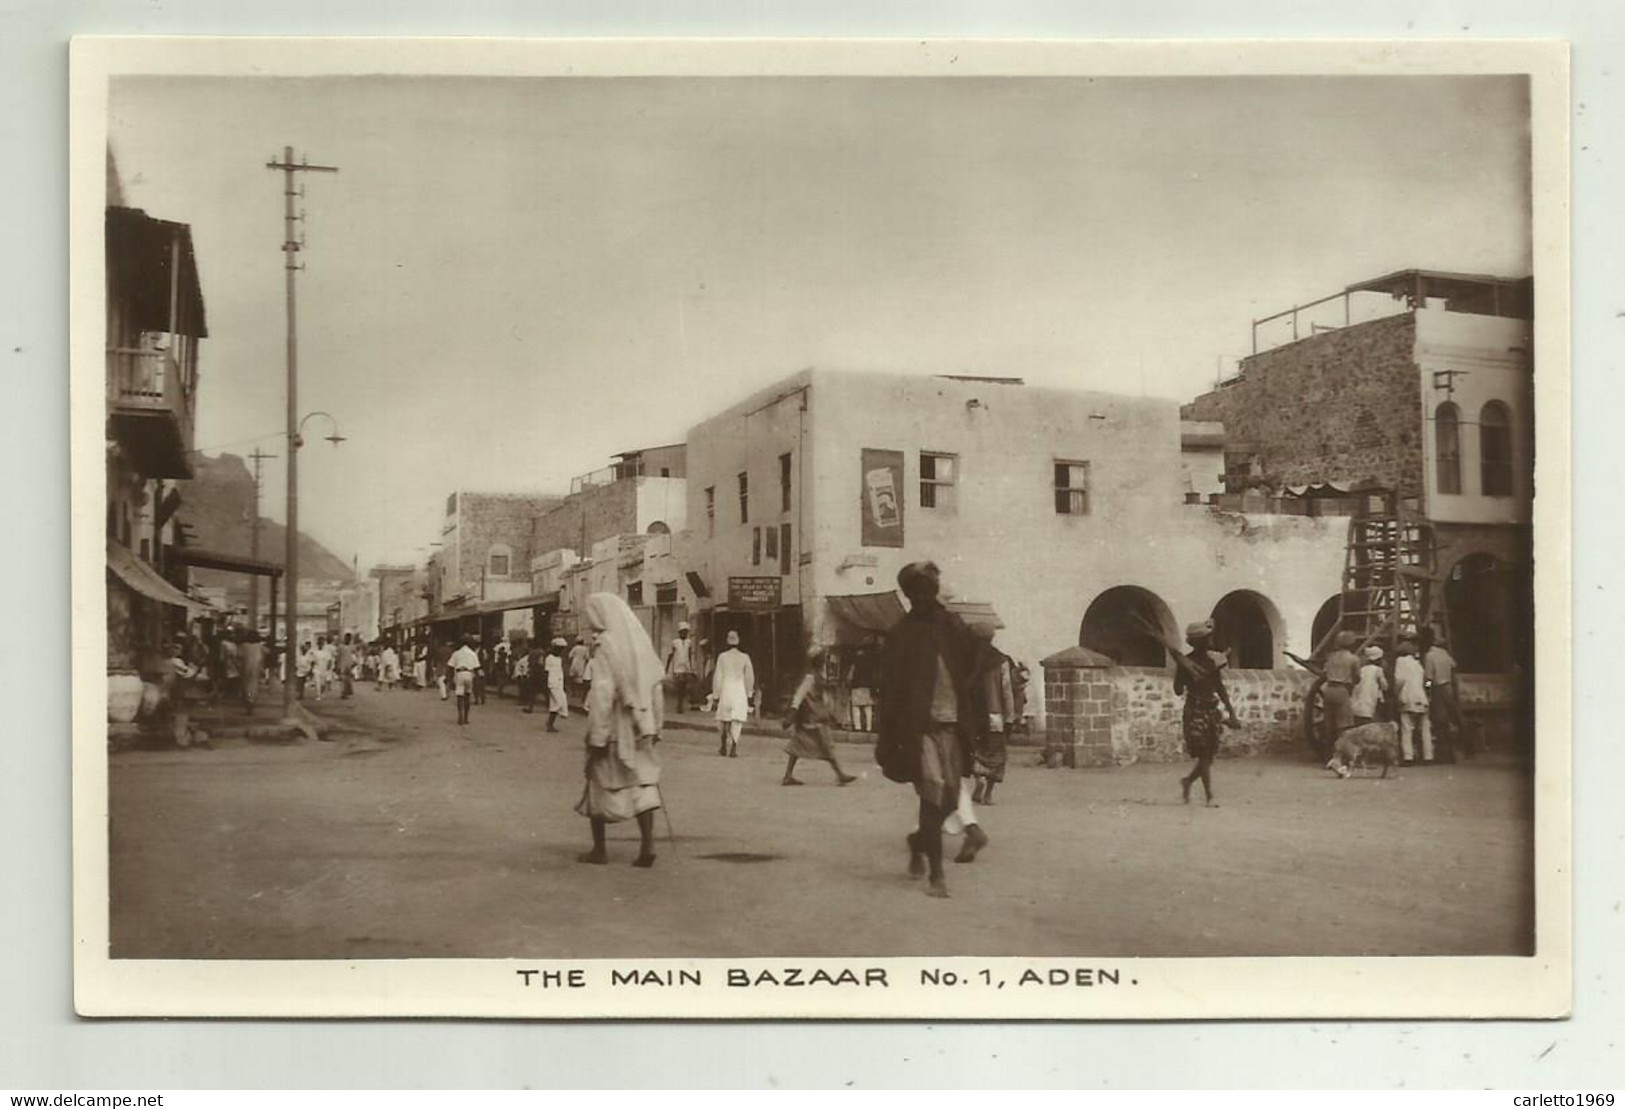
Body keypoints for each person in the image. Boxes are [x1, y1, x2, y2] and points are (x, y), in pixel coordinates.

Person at [876, 560, 980, 899]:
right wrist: (888, 736)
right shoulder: (900, 634)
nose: (923, 596)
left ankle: (918, 841)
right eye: (916, 591)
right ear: (908, 595)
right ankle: (937, 876)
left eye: (927, 589)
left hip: (952, 727)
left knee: (950, 799)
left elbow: (971, 667)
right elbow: (890, 690)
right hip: (918, 729)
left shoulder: (952, 626)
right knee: (933, 791)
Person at [575, 593, 665, 868]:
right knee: (643, 784)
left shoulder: (605, 646)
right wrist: (655, 725)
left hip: (615, 727)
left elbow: (603, 693)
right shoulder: (640, 644)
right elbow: (656, 688)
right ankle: (647, 844)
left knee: (598, 782)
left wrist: (598, 735)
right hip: (641, 727)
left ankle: (599, 850)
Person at [1174, 619, 1241, 807]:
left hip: (1211, 711)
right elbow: (1178, 690)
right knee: (1204, 755)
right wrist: (1183, 672)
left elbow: (1220, 688)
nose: (1210, 640)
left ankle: (1187, 781)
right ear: (1199, 641)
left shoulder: (1212, 662)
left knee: (1208, 756)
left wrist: (1231, 712)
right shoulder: (1186, 662)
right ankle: (1209, 796)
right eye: (1207, 638)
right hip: (1195, 711)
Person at [780, 646, 858, 786]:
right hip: (813, 719)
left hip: (816, 718)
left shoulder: (819, 676)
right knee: (825, 747)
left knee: (797, 747)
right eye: (822, 658)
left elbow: (823, 697)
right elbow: (799, 695)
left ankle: (788, 775)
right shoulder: (811, 678)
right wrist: (792, 712)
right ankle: (840, 774)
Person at [968, 625, 1014, 806]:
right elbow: (1007, 691)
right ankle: (988, 793)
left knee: (976, 751)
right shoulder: (1000, 661)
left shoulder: (969, 659)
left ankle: (978, 778)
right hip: (995, 717)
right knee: (997, 755)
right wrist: (1010, 718)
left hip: (973, 717)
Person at [1421, 628, 1468, 761]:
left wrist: (1428, 695)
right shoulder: (1444, 653)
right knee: (1452, 719)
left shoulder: (1429, 656)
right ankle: (1461, 751)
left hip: (1438, 689)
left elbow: (1429, 678)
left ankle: (1445, 755)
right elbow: (1454, 666)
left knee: (1439, 721)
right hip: (1448, 687)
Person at [711, 629, 756, 757]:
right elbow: (749, 677)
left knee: (724, 719)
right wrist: (749, 694)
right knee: (736, 720)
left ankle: (723, 745)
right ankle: (734, 748)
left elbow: (718, 677)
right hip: (739, 690)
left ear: (727, 641)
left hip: (726, 689)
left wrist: (716, 695)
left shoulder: (722, 657)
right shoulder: (745, 657)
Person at [1319, 631, 1361, 751]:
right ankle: (1342, 756)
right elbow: (1357, 677)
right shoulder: (1353, 659)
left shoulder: (1330, 657)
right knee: (1344, 726)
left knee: (1329, 725)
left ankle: (1327, 756)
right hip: (1342, 690)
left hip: (1328, 690)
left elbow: (1324, 672)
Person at [1393, 638, 1433, 764]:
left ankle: (1408, 757)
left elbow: (1399, 680)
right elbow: (1427, 680)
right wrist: (1428, 692)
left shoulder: (1400, 661)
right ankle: (1428, 756)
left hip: (1407, 697)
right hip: (1421, 697)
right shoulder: (1418, 664)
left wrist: (1396, 693)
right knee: (1425, 728)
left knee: (1406, 728)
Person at [162, 639, 201, 747]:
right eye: (176, 648)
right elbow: (188, 674)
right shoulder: (175, 661)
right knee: (182, 714)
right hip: (173, 690)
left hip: (166, 689)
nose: (179, 650)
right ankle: (182, 740)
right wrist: (196, 669)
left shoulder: (165, 661)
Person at [845, 637, 879, 732]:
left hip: (857, 685)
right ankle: (869, 727)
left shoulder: (855, 661)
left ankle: (858, 727)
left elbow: (850, 675)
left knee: (856, 707)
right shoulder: (871, 661)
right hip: (868, 686)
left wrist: (848, 682)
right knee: (868, 707)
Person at [1350, 644, 1389, 726]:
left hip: (1355, 706)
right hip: (1368, 706)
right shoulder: (1378, 670)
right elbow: (1385, 687)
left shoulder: (1361, 670)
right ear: (1378, 660)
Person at [665, 622, 698, 712]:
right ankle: (679, 705)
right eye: (682, 632)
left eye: (686, 632)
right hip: (678, 668)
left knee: (684, 687)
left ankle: (683, 703)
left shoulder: (689, 642)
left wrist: (692, 668)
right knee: (680, 686)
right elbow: (671, 655)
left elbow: (690, 655)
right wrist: (667, 667)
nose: (684, 634)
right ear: (679, 632)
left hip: (686, 668)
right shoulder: (675, 642)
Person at [448, 635, 481, 725]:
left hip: (459, 674)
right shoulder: (473, 654)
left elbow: (450, 666)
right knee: (467, 696)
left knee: (459, 696)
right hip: (469, 674)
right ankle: (466, 717)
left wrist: (450, 679)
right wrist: (477, 680)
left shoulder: (456, 653)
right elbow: (477, 667)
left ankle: (460, 715)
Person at [545, 637, 569, 732]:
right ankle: (549, 722)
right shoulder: (549, 658)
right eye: (559, 648)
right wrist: (546, 685)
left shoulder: (559, 659)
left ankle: (550, 725)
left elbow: (560, 672)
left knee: (555, 703)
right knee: (559, 702)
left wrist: (564, 684)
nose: (560, 651)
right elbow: (546, 672)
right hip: (552, 683)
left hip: (559, 683)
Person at [238, 627, 263, 713]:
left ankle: (248, 702)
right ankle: (251, 702)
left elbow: (239, 656)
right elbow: (266, 654)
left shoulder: (244, 646)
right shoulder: (260, 646)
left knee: (245, 686)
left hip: (245, 668)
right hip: (256, 668)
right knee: (253, 686)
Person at [567, 636, 592, 708]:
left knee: (572, 679)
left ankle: (573, 693)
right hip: (581, 664)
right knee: (581, 680)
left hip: (574, 664)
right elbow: (587, 658)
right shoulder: (585, 649)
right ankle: (581, 694)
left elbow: (570, 656)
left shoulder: (574, 648)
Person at [514, 644, 537, 712]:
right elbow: (525, 668)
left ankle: (524, 700)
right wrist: (525, 675)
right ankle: (522, 700)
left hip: (523, 675)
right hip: (521, 675)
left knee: (525, 689)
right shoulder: (526, 659)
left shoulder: (528, 658)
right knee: (523, 688)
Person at [336, 633, 356, 700]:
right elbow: (338, 657)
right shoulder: (340, 647)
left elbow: (354, 656)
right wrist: (337, 666)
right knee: (343, 680)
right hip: (342, 665)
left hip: (349, 665)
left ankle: (346, 693)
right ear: (345, 638)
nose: (348, 640)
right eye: (347, 638)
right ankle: (343, 693)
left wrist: (354, 663)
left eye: (349, 639)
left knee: (348, 680)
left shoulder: (352, 647)